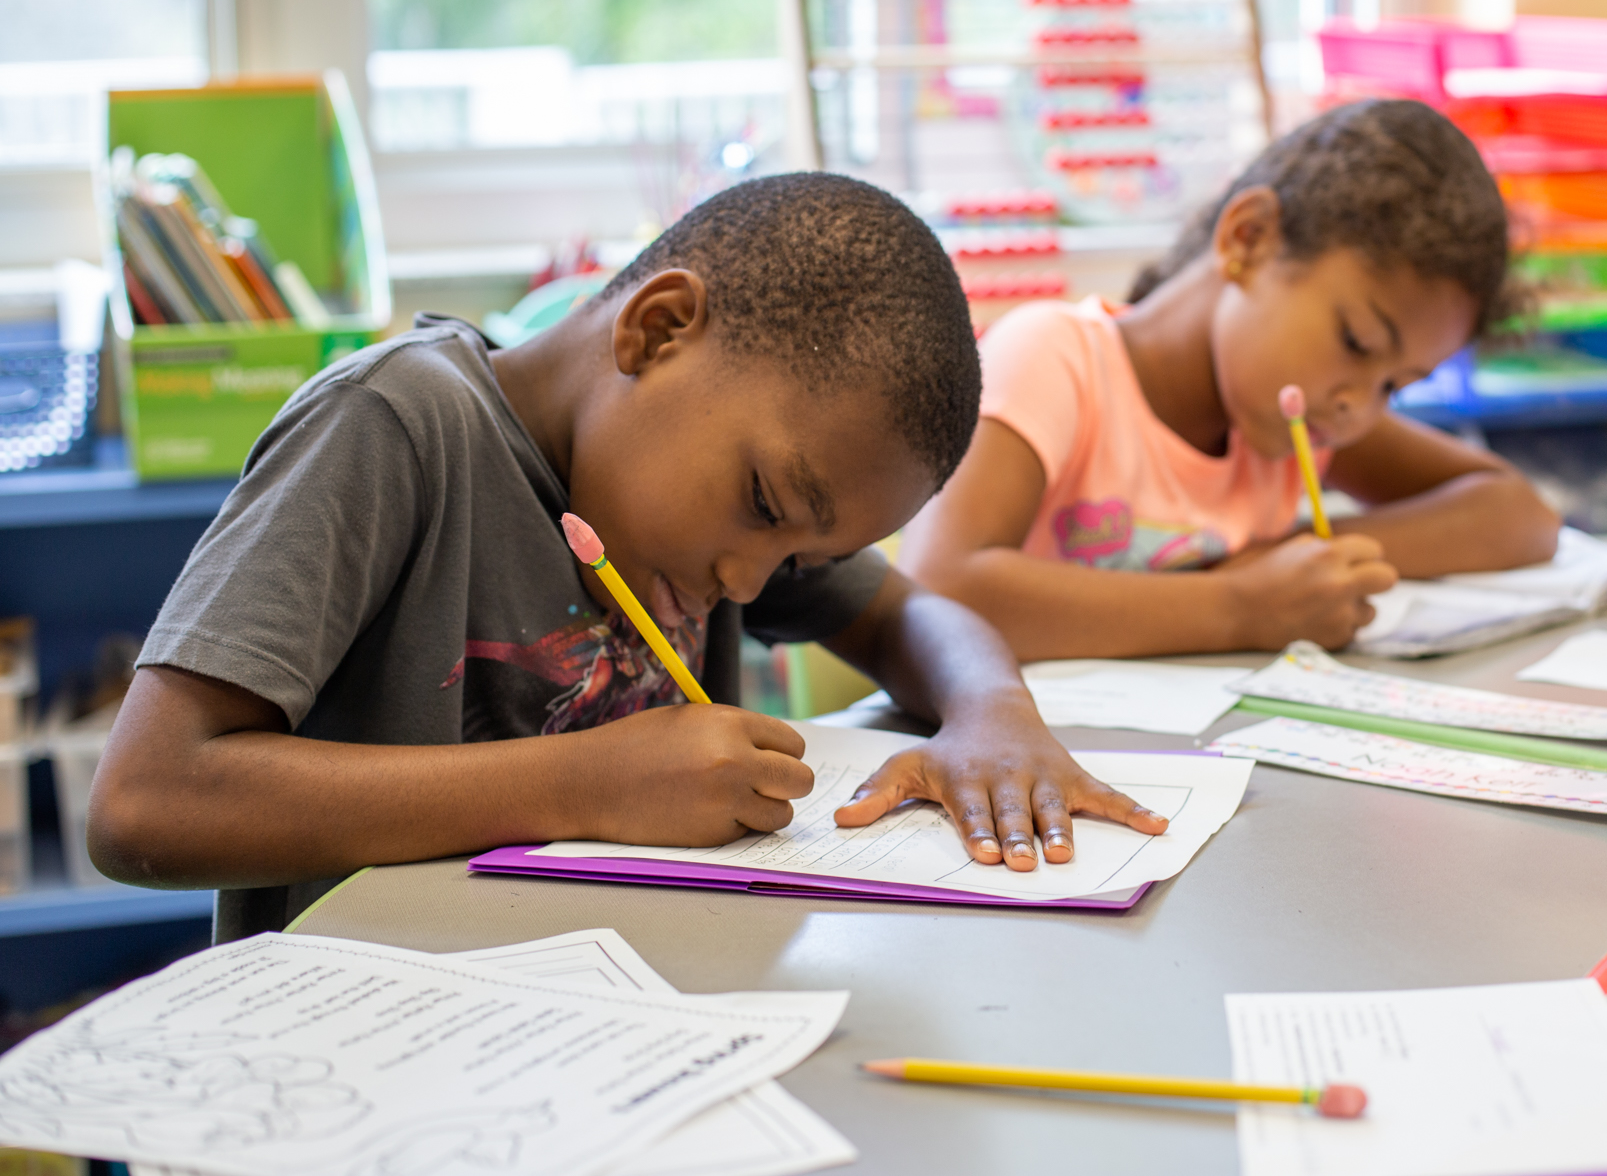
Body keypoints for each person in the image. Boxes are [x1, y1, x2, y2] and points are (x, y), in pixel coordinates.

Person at [89, 173, 1166, 922]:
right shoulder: (395, 428)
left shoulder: (723, 518)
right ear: (657, 330)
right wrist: (580, 784)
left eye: (798, 558)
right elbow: (145, 802)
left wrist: (992, 714)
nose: (749, 579)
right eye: (763, 505)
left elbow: (911, 613)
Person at [899, 99, 1561, 661]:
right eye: (1357, 342)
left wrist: (1306, 559)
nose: (1360, 408)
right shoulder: (1056, 357)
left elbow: (1519, 515)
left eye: (1396, 386)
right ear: (1249, 239)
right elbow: (939, 584)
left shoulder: (1301, 418)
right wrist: (1240, 606)